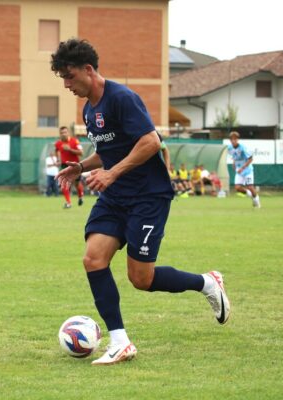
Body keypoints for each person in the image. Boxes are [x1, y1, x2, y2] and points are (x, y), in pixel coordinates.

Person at [52, 38, 230, 365]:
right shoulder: (90, 109)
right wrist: (81, 166)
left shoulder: (121, 98)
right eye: (62, 78)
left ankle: (207, 283)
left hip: (148, 196)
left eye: (70, 76)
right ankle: (120, 342)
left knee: (141, 279)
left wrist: (112, 173)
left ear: (88, 70)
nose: (66, 84)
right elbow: (109, 151)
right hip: (116, 196)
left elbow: (150, 141)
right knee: (93, 259)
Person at [228, 131, 260, 208]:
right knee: (237, 188)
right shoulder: (230, 148)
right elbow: (234, 156)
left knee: (250, 187)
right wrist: (233, 163)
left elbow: (250, 159)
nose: (233, 141)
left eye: (235, 139)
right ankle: (250, 194)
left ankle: (256, 200)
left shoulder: (243, 148)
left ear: (237, 139)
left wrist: (243, 168)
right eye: (232, 139)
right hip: (239, 171)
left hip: (247, 170)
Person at [55, 126, 84, 208]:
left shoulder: (75, 141)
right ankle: (68, 203)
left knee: (77, 184)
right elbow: (56, 150)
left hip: (75, 165)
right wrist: (58, 159)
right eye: (61, 133)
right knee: (64, 184)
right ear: (60, 134)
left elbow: (81, 153)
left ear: (68, 133)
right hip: (64, 165)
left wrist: (70, 149)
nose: (63, 134)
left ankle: (80, 196)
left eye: (65, 132)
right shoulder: (58, 143)